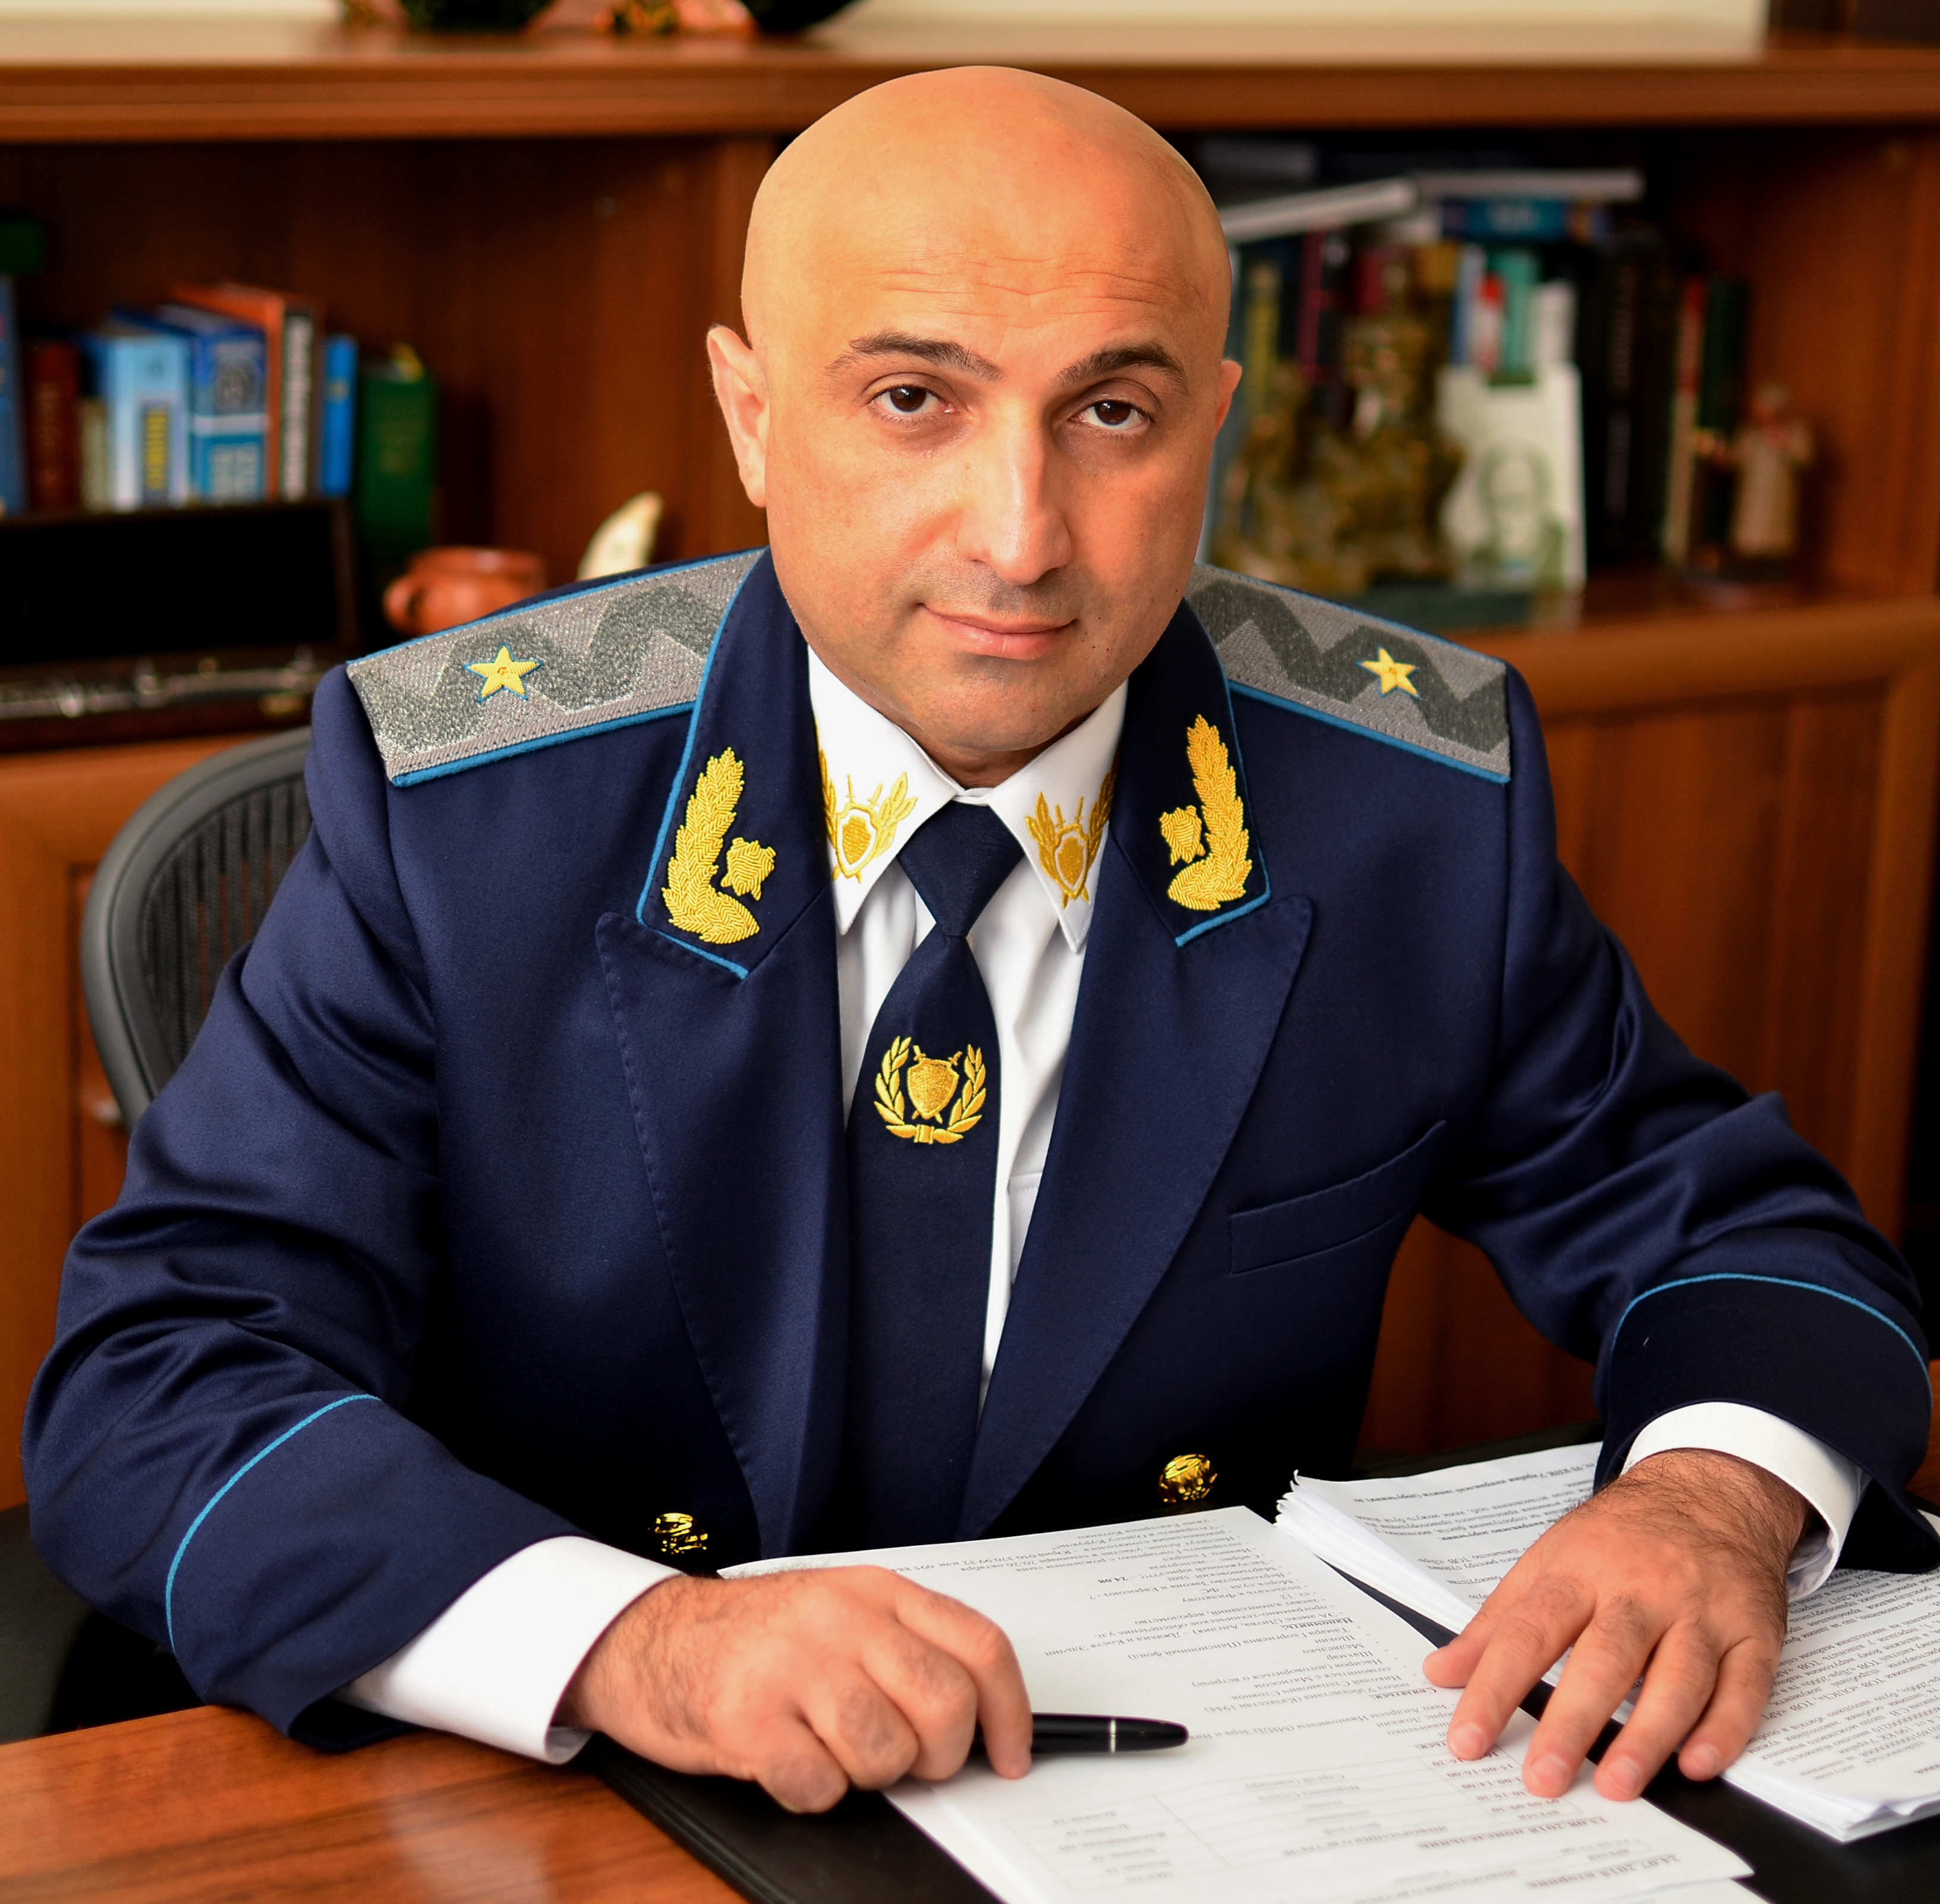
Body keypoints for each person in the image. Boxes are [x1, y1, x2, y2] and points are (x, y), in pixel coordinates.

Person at [26, 70, 1935, 1821]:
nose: (1022, 537)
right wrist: (637, 1641)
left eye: (1112, 412)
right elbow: (159, 1379)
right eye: (913, 401)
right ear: (752, 416)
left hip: (1174, 1798)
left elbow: (1744, 1232)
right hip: (580, 1802)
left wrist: (1712, 1497)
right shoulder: (464, 808)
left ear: (1215, 424)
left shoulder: (1409, 807)